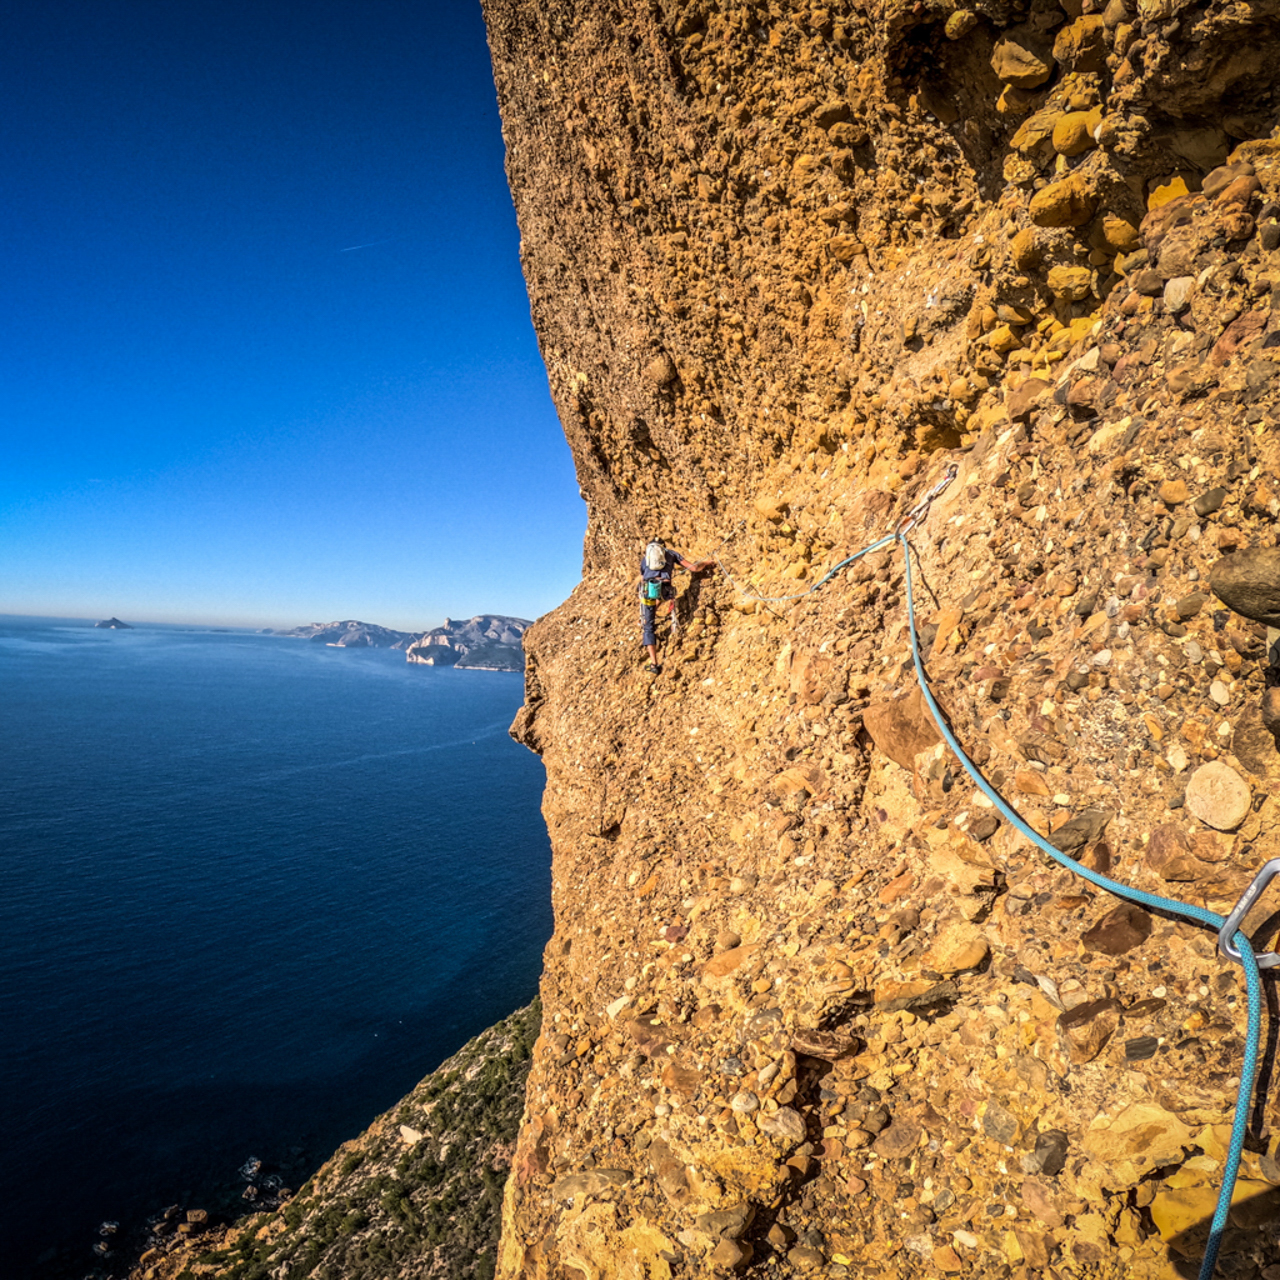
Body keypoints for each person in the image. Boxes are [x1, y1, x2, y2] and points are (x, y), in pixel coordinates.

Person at [638, 537, 713, 673]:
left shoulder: (645, 559)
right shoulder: (671, 553)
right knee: (660, 595)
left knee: (648, 627)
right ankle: (664, 621)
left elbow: (643, 578)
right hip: (666, 590)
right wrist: (707, 562)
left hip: (649, 590)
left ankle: (654, 664)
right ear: (663, 547)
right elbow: (694, 568)